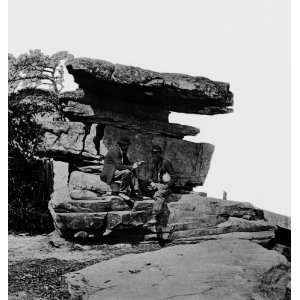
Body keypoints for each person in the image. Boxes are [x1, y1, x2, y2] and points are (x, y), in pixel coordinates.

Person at [141, 145, 178, 226]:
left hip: (165, 186)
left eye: (157, 153)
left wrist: (167, 185)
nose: (155, 155)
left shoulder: (166, 162)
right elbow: (148, 177)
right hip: (156, 185)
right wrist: (151, 183)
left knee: (158, 194)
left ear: (160, 153)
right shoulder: (152, 163)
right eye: (154, 153)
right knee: (142, 183)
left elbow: (174, 177)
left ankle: (154, 216)